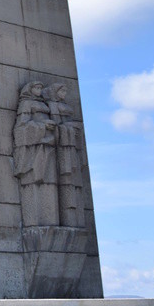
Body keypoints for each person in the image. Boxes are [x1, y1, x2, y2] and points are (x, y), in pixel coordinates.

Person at [13, 80, 58, 226]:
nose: (39, 90)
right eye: (36, 88)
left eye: (41, 88)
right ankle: (33, 222)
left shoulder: (45, 104)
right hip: (33, 148)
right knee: (32, 182)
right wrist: (42, 126)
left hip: (47, 145)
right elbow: (21, 127)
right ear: (30, 89)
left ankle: (51, 220)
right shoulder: (26, 104)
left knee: (49, 183)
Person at [45, 82, 85, 228]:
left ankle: (73, 217)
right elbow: (55, 126)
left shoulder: (65, 107)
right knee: (65, 179)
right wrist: (68, 128)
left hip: (70, 147)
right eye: (62, 91)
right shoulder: (52, 106)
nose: (64, 94)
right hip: (62, 148)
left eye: (65, 91)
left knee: (72, 181)